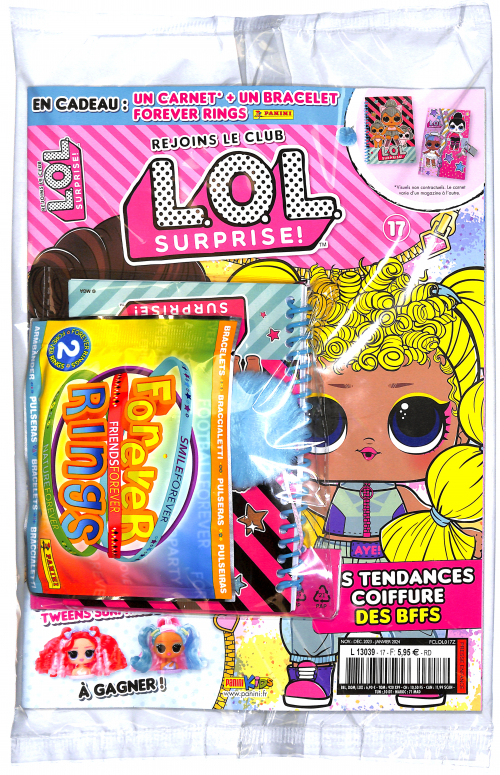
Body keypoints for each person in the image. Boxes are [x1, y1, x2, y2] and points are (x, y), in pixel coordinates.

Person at [280, 256, 484, 708]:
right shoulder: (323, 487)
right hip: (331, 551)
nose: (368, 444)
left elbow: (431, 521)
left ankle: (417, 667)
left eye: (415, 421)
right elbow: (305, 506)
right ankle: (311, 669)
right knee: (312, 608)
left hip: (397, 555)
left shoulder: (413, 498)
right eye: (325, 419)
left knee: (418, 602)